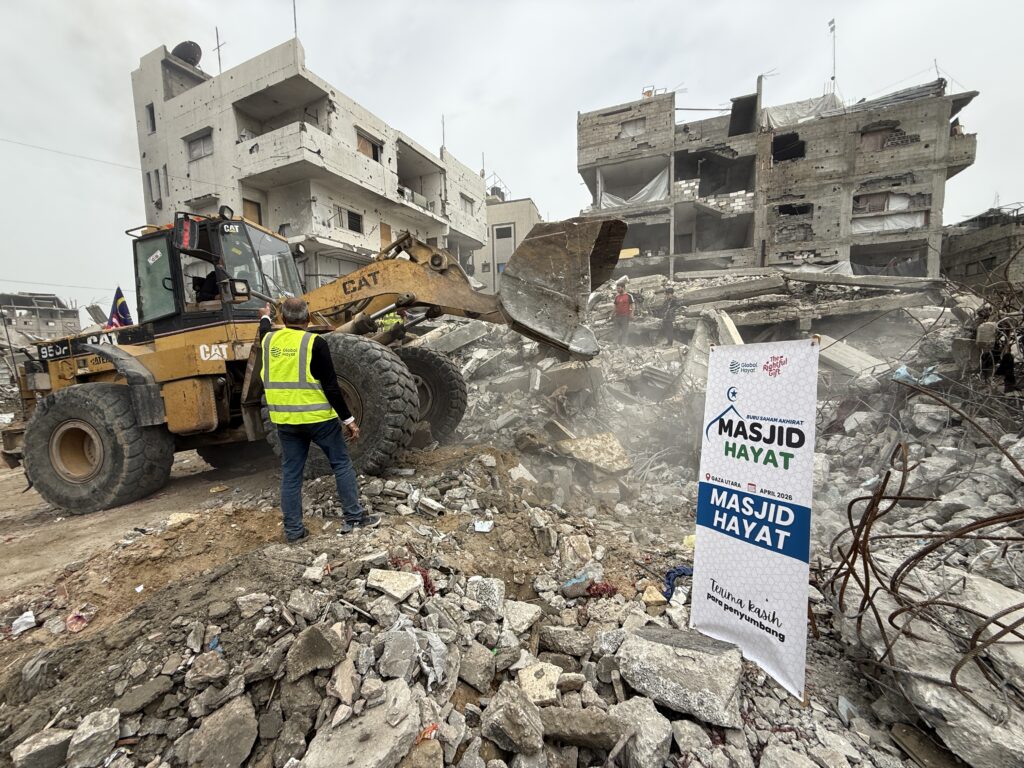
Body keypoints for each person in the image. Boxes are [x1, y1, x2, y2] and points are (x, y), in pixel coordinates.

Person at [259, 298, 379, 541]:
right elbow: (331, 387)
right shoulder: (315, 343)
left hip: (286, 421)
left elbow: (263, 330)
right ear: (308, 318)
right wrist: (349, 420)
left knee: (291, 474)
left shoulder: (268, 340)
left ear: (283, 319)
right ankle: (353, 518)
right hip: (319, 420)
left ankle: (294, 532)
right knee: (341, 464)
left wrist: (264, 316)